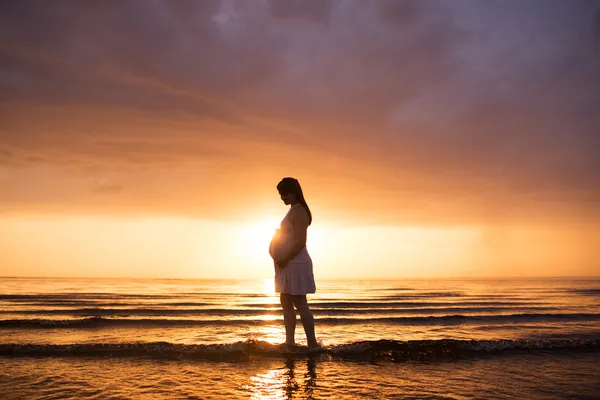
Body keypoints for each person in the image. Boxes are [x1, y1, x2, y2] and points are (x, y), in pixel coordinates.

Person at [269, 177, 318, 349]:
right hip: (288, 262)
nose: (283, 197)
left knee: (299, 301)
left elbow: (300, 241)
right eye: (281, 194)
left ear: (294, 192)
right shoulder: (293, 210)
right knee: (286, 300)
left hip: (295, 261)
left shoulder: (300, 212)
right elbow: (291, 237)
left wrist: (285, 258)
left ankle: (312, 343)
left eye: (285, 193)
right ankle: (290, 342)